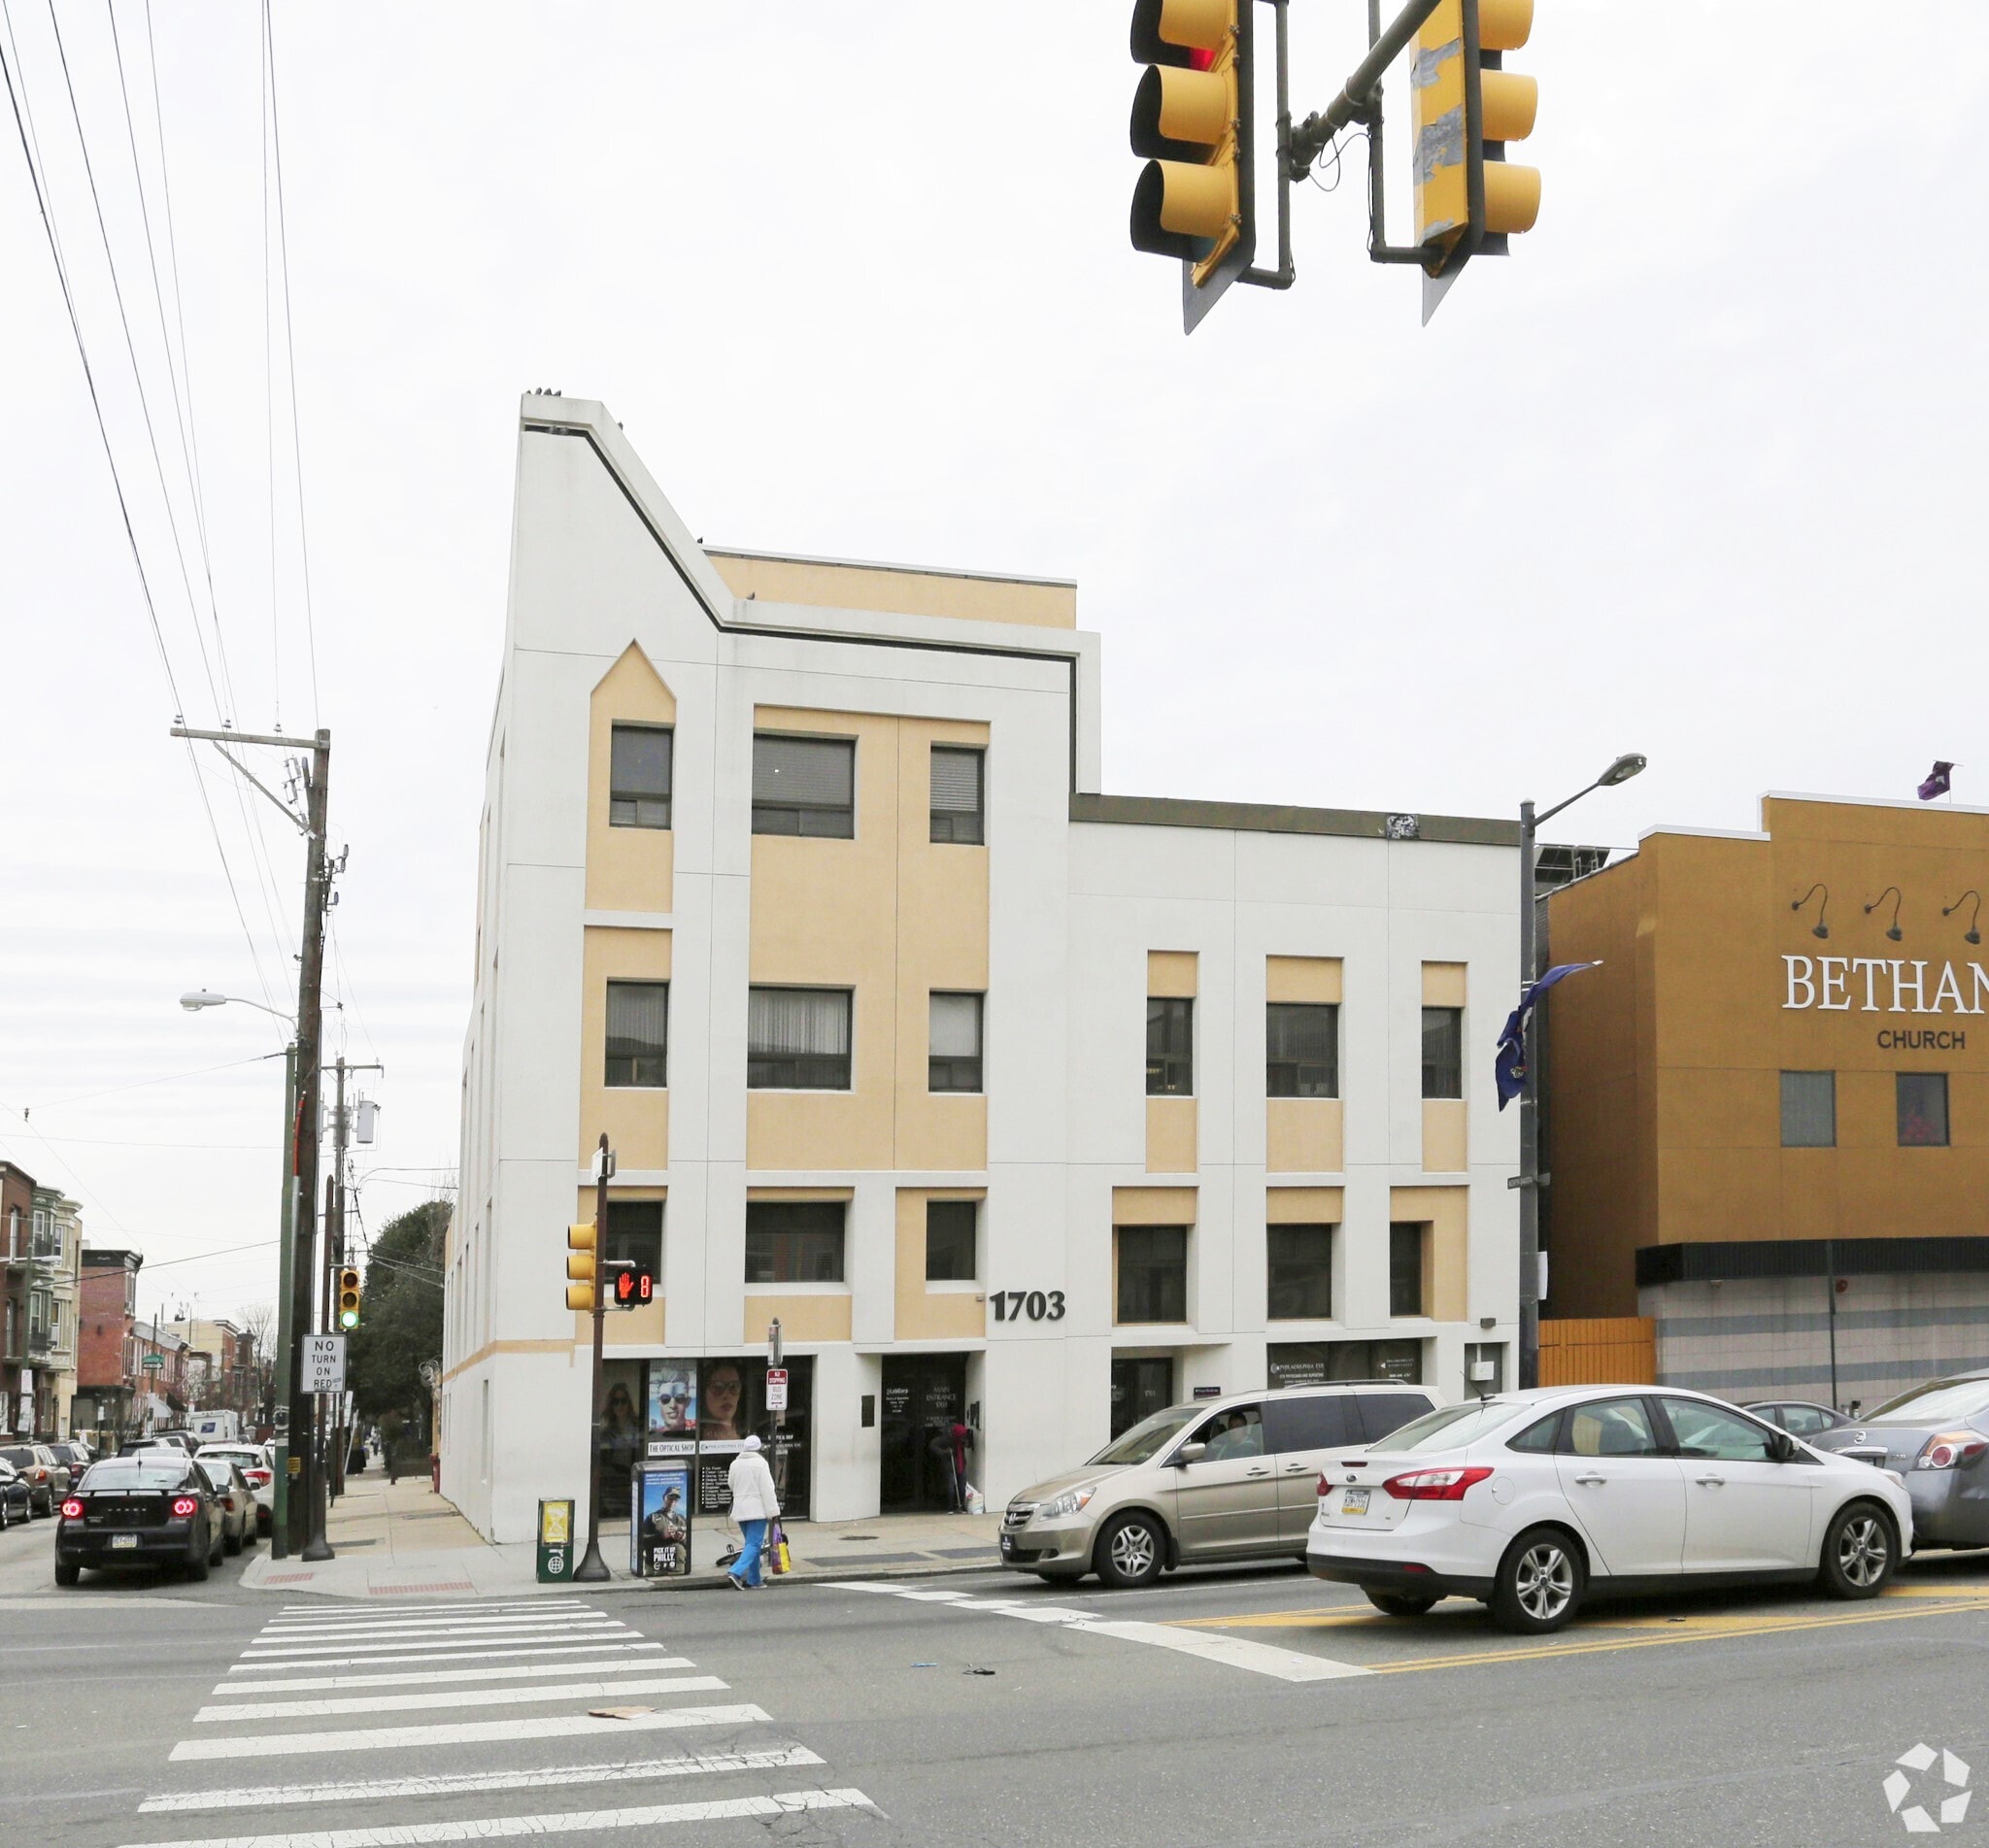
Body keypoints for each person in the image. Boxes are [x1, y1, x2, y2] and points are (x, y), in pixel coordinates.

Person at [725, 1434, 780, 1590]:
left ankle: (754, 1579)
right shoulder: (761, 1464)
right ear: (759, 1448)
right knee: (755, 1544)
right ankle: (735, 1572)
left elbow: (731, 1484)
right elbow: (767, 1490)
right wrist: (773, 1511)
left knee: (752, 1544)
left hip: (741, 1510)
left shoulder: (735, 1464)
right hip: (757, 1510)